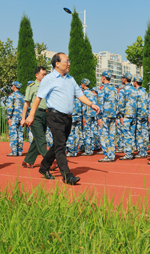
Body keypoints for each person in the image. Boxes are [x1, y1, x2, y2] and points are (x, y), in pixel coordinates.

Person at [25, 52, 100, 185]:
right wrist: (31, 115)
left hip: (68, 118)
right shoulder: (49, 79)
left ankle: (44, 167)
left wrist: (91, 104)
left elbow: (79, 94)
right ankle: (67, 176)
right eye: (66, 61)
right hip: (54, 116)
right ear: (57, 63)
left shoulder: (71, 79)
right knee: (60, 147)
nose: (69, 63)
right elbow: (38, 98)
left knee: (58, 145)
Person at [21, 66, 48, 168]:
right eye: (43, 74)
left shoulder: (47, 86)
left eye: (46, 74)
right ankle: (48, 161)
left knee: (37, 139)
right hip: (35, 114)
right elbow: (26, 103)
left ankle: (27, 161)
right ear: (36, 75)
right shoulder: (31, 87)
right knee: (41, 139)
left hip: (45, 114)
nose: (45, 76)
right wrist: (23, 118)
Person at [97, 70, 117, 162]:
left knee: (105, 136)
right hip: (113, 115)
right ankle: (111, 154)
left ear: (103, 78)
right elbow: (117, 102)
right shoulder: (114, 89)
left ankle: (107, 155)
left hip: (105, 115)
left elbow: (100, 103)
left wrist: (99, 117)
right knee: (111, 136)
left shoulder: (102, 88)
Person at [6, 81, 25, 156]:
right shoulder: (23, 97)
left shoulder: (12, 96)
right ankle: (19, 151)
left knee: (13, 134)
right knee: (20, 134)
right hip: (22, 118)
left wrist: (9, 117)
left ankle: (14, 151)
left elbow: (10, 107)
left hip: (14, 117)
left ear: (14, 86)